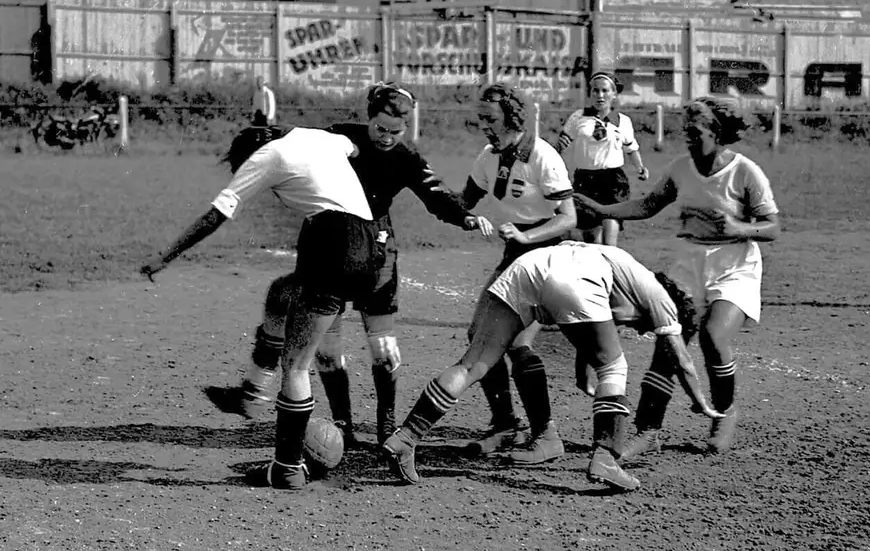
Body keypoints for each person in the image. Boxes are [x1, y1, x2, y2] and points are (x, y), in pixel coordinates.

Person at [204, 83, 491, 450]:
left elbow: (437, 196)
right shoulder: (339, 138)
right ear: (369, 118)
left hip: (378, 250)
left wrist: (465, 218)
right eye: (380, 129)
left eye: (395, 131)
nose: (386, 137)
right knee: (325, 347)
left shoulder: (406, 157)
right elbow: (296, 145)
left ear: (406, 128)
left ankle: (386, 427)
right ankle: (343, 425)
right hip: (326, 245)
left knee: (384, 350)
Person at [140, 124, 382, 490]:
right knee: (282, 295)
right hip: (368, 246)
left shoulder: (268, 156)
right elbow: (356, 149)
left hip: (331, 241)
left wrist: (165, 256)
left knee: (297, 365)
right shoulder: (318, 136)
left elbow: (216, 215)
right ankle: (251, 392)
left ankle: (286, 467)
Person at [381, 241, 723, 492]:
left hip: (528, 267)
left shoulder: (621, 272)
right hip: (571, 280)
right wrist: (701, 402)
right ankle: (606, 457)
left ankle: (407, 437)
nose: (640, 331)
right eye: (645, 328)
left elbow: (581, 324)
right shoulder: (662, 298)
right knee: (615, 367)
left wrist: (581, 371)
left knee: (472, 365)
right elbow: (682, 358)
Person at [576, 96, 780, 459]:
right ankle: (648, 430)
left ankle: (724, 411)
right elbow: (649, 205)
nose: (687, 136)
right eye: (685, 130)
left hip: (735, 264)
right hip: (689, 261)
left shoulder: (745, 172)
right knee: (669, 339)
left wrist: (738, 226)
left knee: (714, 336)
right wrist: (603, 209)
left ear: (717, 133)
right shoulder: (680, 168)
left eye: (695, 130)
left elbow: (772, 226)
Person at [458, 83, 577, 464]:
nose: (485, 126)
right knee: (479, 334)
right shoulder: (489, 155)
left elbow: (568, 218)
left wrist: (526, 235)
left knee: (516, 343)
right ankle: (506, 424)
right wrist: (459, 213)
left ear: (512, 117)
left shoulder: (543, 156)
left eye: (490, 119)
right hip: (515, 253)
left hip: (546, 255)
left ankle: (547, 436)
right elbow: (465, 200)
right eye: (481, 119)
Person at [554, 71, 649, 246]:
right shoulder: (578, 117)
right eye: (595, 91)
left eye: (605, 91)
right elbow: (560, 145)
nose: (600, 95)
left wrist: (640, 167)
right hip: (585, 180)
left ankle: (612, 266)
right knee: (591, 240)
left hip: (613, 181)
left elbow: (631, 148)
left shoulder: (623, 121)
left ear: (614, 94)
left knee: (609, 236)